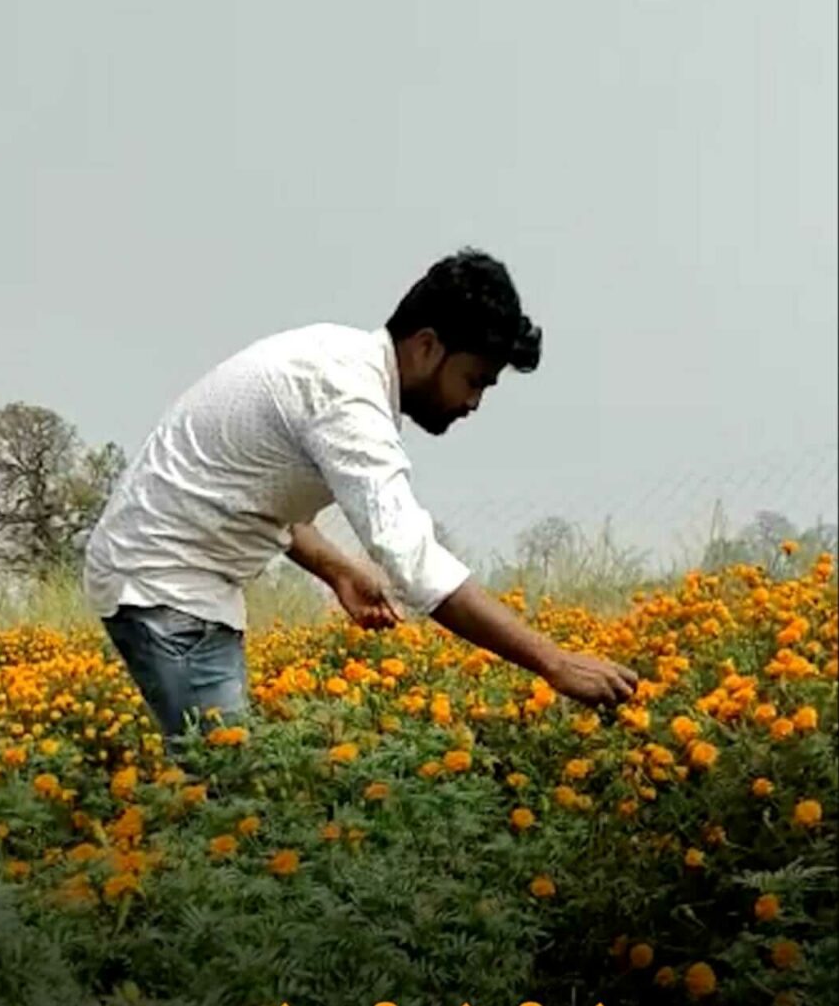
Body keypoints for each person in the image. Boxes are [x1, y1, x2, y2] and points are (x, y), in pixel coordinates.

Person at [84, 248, 638, 755]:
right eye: (474, 380)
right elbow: (415, 562)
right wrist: (554, 662)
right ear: (426, 346)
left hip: (168, 580)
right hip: (165, 585)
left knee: (230, 792)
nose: (473, 402)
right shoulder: (349, 400)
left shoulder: (337, 363)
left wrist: (339, 571)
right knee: (229, 796)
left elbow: (249, 496)